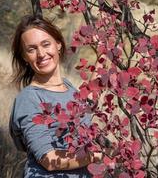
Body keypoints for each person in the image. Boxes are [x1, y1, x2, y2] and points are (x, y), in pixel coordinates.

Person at [9, 15, 103, 177]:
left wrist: (103, 52)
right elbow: (50, 160)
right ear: (25, 57)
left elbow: (88, 102)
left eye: (46, 44)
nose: (41, 54)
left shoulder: (68, 88)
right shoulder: (29, 99)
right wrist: (96, 156)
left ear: (58, 44)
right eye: (31, 49)